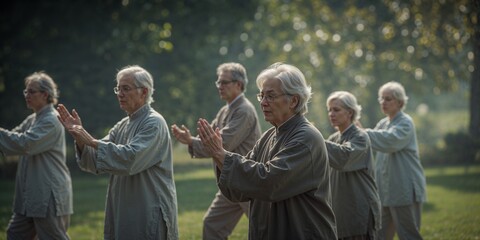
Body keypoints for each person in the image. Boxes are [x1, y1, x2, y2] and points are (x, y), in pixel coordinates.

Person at [196, 62, 337, 240]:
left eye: (270, 96)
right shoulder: (268, 136)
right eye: (261, 96)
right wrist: (219, 156)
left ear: (293, 100)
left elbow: (269, 182)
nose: (263, 103)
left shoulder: (305, 138)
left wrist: (220, 154)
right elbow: (241, 187)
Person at [57, 65, 178, 240]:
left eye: (126, 89)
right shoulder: (123, 125)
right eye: (118, 88)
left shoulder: (154, 123)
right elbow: (94, 160)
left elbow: (131, 159)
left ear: (144, 92)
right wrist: (80, 138)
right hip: (124, 208)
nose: (119, 94)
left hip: (148, 208)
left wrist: (90, 140)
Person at [171, 62, 261, 239]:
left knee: (265, 230)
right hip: (231, 183)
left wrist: (191, 141)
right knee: (213, 225)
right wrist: (191, 141)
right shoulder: (224, 111)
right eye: (218, 82)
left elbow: (220, 144)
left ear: (239, 84)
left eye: (224, 82)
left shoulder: (244, 110)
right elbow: (210, 141)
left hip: (247, 182)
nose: (220, 86)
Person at [0, 72, 73, 239]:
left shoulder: (52, 120)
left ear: (45, 94)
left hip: (48, 194)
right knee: (15, 234)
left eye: (31, 91)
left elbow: (25, 143)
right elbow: (11, 140)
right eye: (26, 91)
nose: (27, 95)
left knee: (52, 236)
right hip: (30, 196)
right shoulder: (33, 119)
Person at [364, 81, 427, 240]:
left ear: (399, 102)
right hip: (385, 191)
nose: (383, 102)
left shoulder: (406, 122)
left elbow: (389, 140)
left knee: (408, 234)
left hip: (404, 189)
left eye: (388, 99)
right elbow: (370, 143)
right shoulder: (383, 123)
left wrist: (361, 133)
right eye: (381, 99)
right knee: (380, 235)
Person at [324, 91, 381, 240]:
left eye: (336, 109)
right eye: (329, 110)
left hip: (359, 211)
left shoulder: (360, 137)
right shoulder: (333, 138)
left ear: (350, 112)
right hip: (340, 212)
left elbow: (344, 157)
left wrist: (314, 139)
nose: (331, 114)